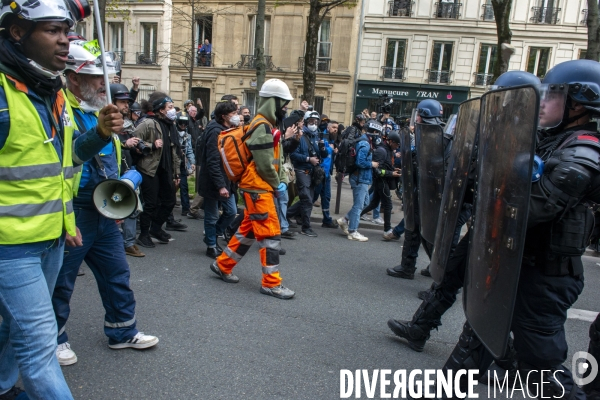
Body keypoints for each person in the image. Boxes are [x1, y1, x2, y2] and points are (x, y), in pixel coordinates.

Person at [0, 0, 125, 396]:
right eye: (53, 30)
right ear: (18, 32)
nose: (65, 40)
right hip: (9, 248)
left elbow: (62, 162)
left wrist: (100, 135)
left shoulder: (49, 91)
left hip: (51, 239)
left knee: (9, 329)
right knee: (40, 349)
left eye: (67, 30)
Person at [387, 71, 542, 352]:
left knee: (506, 309)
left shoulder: (534, 141)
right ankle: (418, 329)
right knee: (450, 277)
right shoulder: (493, 137)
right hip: (485, 223)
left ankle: (508, 360)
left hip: (509, 234)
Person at [53, 42, 159, 367]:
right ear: (73, 79)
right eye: (97, 77)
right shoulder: (61, 110)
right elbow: (69, 156)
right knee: (61, 279)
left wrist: (122, 194)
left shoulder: (101, 112)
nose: (105, 84)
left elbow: (111, 163)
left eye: (106, 76)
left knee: (117, 273)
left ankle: (122, 331)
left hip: (104, 211)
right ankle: (53, 339)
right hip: (76, 210)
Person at [211, 78, 295, 299]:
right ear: (273, 103)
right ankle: (271, 283)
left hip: (256, 187)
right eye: (283, 103)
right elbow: (265, 163)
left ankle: (223, 264)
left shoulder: (264, 124)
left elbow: (273, 159)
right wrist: (278, 185)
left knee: (247, 231)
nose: (286, 108)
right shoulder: (262, 126)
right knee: (270, 235)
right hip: (258, 188)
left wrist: (280, 179)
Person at [386, 99, 445, 279]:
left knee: (428, 234)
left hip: (429, 193)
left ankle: (442, 273)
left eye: (419, 114)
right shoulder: (429, 134)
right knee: (414, 229)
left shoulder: (436, 136)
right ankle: (409, 266)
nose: (416, 118)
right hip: (421, 192)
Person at [133, 92, 184, 248]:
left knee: (169, 201)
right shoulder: (148, 123)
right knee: (151, 203)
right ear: (161, 109)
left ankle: (155, 228)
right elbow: (133, 140)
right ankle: (143, 234)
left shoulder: (170, 126)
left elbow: (174, 152)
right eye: (170, 107)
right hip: (149, 169)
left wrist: (176, 173)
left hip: (164, 169)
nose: (173, 110)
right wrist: (151, 145)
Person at [198, 100, 238, 258]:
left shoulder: (228, 129)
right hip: (213, 181)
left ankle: (213, 235)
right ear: (224, 116)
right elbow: (213, 161)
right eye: (233, 113)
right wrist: (221, 185)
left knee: (231, 212)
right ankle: (211, 245)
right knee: (212, 214)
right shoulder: (215, 131)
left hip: (226, 180)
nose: (236, 116)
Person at [110, 83, 145, 257]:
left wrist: (135, 148)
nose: (127, 105)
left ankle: (128, 242)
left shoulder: (127, 124)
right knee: (113, 213)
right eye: (122, 101)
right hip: (111, 175)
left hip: (127, 171)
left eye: (127, 102)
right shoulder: (105, 122)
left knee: (132, 208)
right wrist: (125, 145)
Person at [288, 110, 329, 237]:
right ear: (306, 122)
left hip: (312, 172)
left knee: (309, 200)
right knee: (306, 199)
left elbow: (324, 155)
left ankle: (284, 215)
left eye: (316, 122)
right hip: (301, 170)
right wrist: (308, 159)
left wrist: (322, 148)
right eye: (311, 121)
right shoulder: (299, 136)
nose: (314, 124)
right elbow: (293, 154)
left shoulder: (317, 136)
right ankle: (306, 227)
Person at [336, 119, 377, 242]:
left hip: (361, 178)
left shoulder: (364, 141)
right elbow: (360, 162)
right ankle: (353, 231)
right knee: (359, 206)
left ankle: (345, 220)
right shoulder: (365, 144)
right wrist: (372, 164)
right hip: (360, 178)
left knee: (364, 203)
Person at [360, 129, 401, 234]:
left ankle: (351, 217)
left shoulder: (389, 151)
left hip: (384, 181)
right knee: (388, 205)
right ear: (391, 141)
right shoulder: (382, 151)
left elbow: (386, 165)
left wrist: (393, 169)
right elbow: (378, 170)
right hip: (381, 181)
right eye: (396, 144)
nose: (397, 147)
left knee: (373, 204)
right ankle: (387, 230)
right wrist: (391, 173)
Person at [176, 113, 195, 217]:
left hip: (182, 164)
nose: (183, 125)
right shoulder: (173, 133)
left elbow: (189, 150)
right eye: (181, 123)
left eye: (185, 123)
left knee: (184, 186)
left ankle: (185, 208)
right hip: (173, 164)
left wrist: (192, 162)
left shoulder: (188, 136)